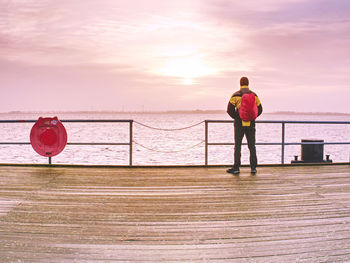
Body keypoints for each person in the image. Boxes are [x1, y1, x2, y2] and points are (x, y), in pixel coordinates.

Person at [226, 77, 263, 174]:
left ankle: (236, 168)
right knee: (252, 146)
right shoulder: (254, 95)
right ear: (248, 83)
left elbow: (229, 110)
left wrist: (237, 118)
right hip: (251, 123)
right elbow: (260, 109)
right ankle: (253, 168)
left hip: (239, 124)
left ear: (240, 83)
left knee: (238, 145)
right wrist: (252, 117)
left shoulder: (236, 95)